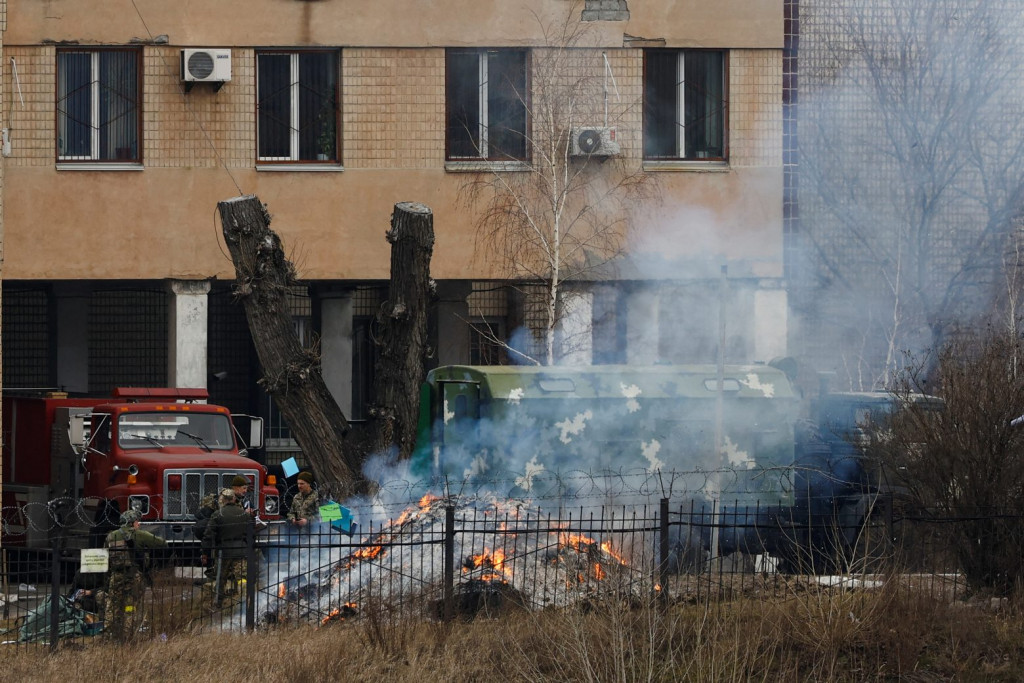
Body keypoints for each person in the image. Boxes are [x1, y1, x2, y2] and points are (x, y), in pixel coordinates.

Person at [104, 509, 166, 640]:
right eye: (138, 521)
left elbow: (106, 557)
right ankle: (127, 635)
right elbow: (162, 543)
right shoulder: (139, 535)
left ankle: (109, 634)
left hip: (116, 576)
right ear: (133, 522)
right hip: (134, 577)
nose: (139, 524)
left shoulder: (111, 536)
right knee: (130, 606)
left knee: (112, 606)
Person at [201, 488, 254, 608]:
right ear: (234, 499)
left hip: (224, 551)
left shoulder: (218, 514)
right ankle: (247, 603)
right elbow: (251, 533)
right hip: (241, 549)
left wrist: (205, 553)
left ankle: (218, 603)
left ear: (223, 499)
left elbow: (208, 535)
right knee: (242, 578)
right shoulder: (243, 514)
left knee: (221, 578)